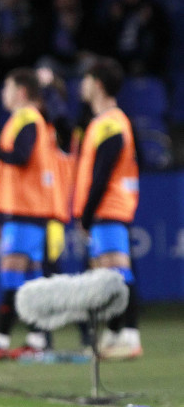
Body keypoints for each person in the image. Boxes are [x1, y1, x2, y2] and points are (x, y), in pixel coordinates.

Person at [0, 68, 65, 360]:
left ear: (22, 92)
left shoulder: (27, 119)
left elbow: (21, 156)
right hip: (22, 209)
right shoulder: (24, 120)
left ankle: (3, 339)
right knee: (28, 277)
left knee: (14, 274)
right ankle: (36, 338)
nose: (4, 93)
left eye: (8, 87)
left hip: (26, 210)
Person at [73, 56, 141, 360]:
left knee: (118, 272)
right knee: (109, 274)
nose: (82, 85)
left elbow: (102, 176)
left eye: (86, 79)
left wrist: (86, 214)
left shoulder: (111, 123)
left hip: (109, 208)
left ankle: (130, 334)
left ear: (97, 85)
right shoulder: (103, 122)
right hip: (104, 210)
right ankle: (116, 333)